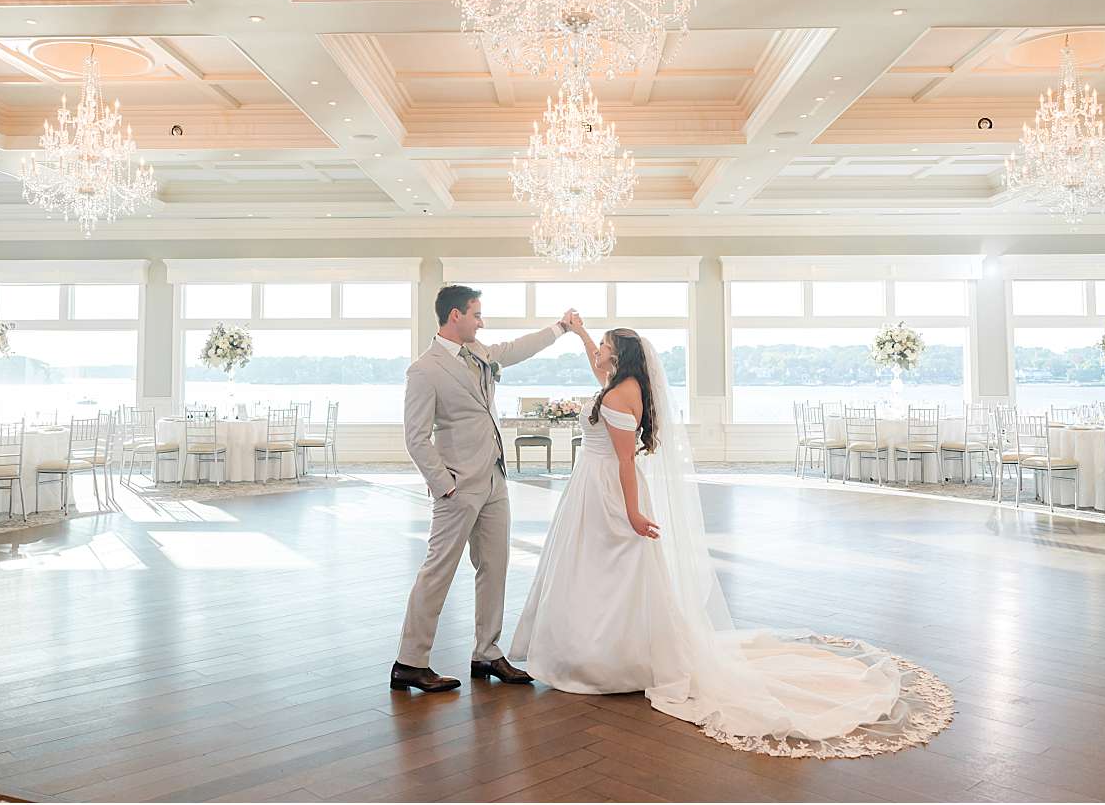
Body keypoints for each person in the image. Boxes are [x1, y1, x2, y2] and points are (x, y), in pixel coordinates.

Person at [511, 321, 934, 759]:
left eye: (602, 346)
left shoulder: (619, 394)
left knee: (607, 573)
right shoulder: (622, 383)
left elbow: (622, 463)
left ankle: (605, 661)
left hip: (606, 491)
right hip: (594, 487)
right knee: (596, 572)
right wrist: (579, 333)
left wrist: (634, 513)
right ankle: (597, 652)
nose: (596, 352)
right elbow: (599, 377)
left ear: (616, 356)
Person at [390, 284, 576, 694]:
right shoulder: (424, 370)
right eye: (476, 314)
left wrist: (560, 327)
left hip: (494, 478)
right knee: (438, 570)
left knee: (495, 566)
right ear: (455, 316)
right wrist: (445, 485)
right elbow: (416, 437)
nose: (482, 321)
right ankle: (410, 662)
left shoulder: (481, 354)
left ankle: (487, 653)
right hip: (458, 486)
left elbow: (517, 348)